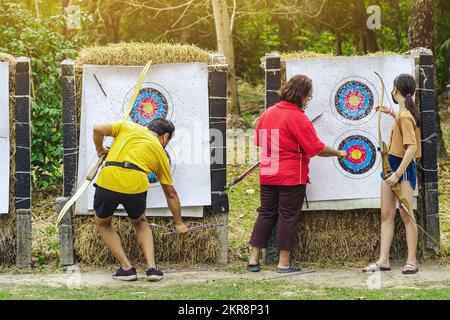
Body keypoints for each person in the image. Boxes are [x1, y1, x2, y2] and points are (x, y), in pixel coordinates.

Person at [247, 75, 347, 273]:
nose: (307, 101)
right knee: (287, 216)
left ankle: (253, 259)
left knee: (266, 213)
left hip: (268, 173)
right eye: (308, 97)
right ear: (301, 95)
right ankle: (283, 263)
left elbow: (258, 140)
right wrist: (338, 152)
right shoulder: (298, 117)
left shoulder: (268, 113)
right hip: (291, 175)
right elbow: (316, 148)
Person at [92, 118, 188, 281]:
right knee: (140, 223)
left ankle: (127, 268)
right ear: (164, 137)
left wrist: (100, 149)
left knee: (103, 223)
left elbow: (98, 127)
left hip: (109, 178)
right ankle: (152, 269)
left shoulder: (126, 126)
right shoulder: (160, 152)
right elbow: (170, 193)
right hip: (136, 184)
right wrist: (179, 223)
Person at [363, 74, 422, 274]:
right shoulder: (404, 114)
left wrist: (397, 174)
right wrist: (391, 112)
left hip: (401, 169)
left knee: (407, 216)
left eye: (393, 88)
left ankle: (412, 261)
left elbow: (412, 148)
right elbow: (402, 126)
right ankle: (383, 260)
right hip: (391, 166)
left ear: (397, 90)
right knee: (386, 214)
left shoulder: (405, 116)